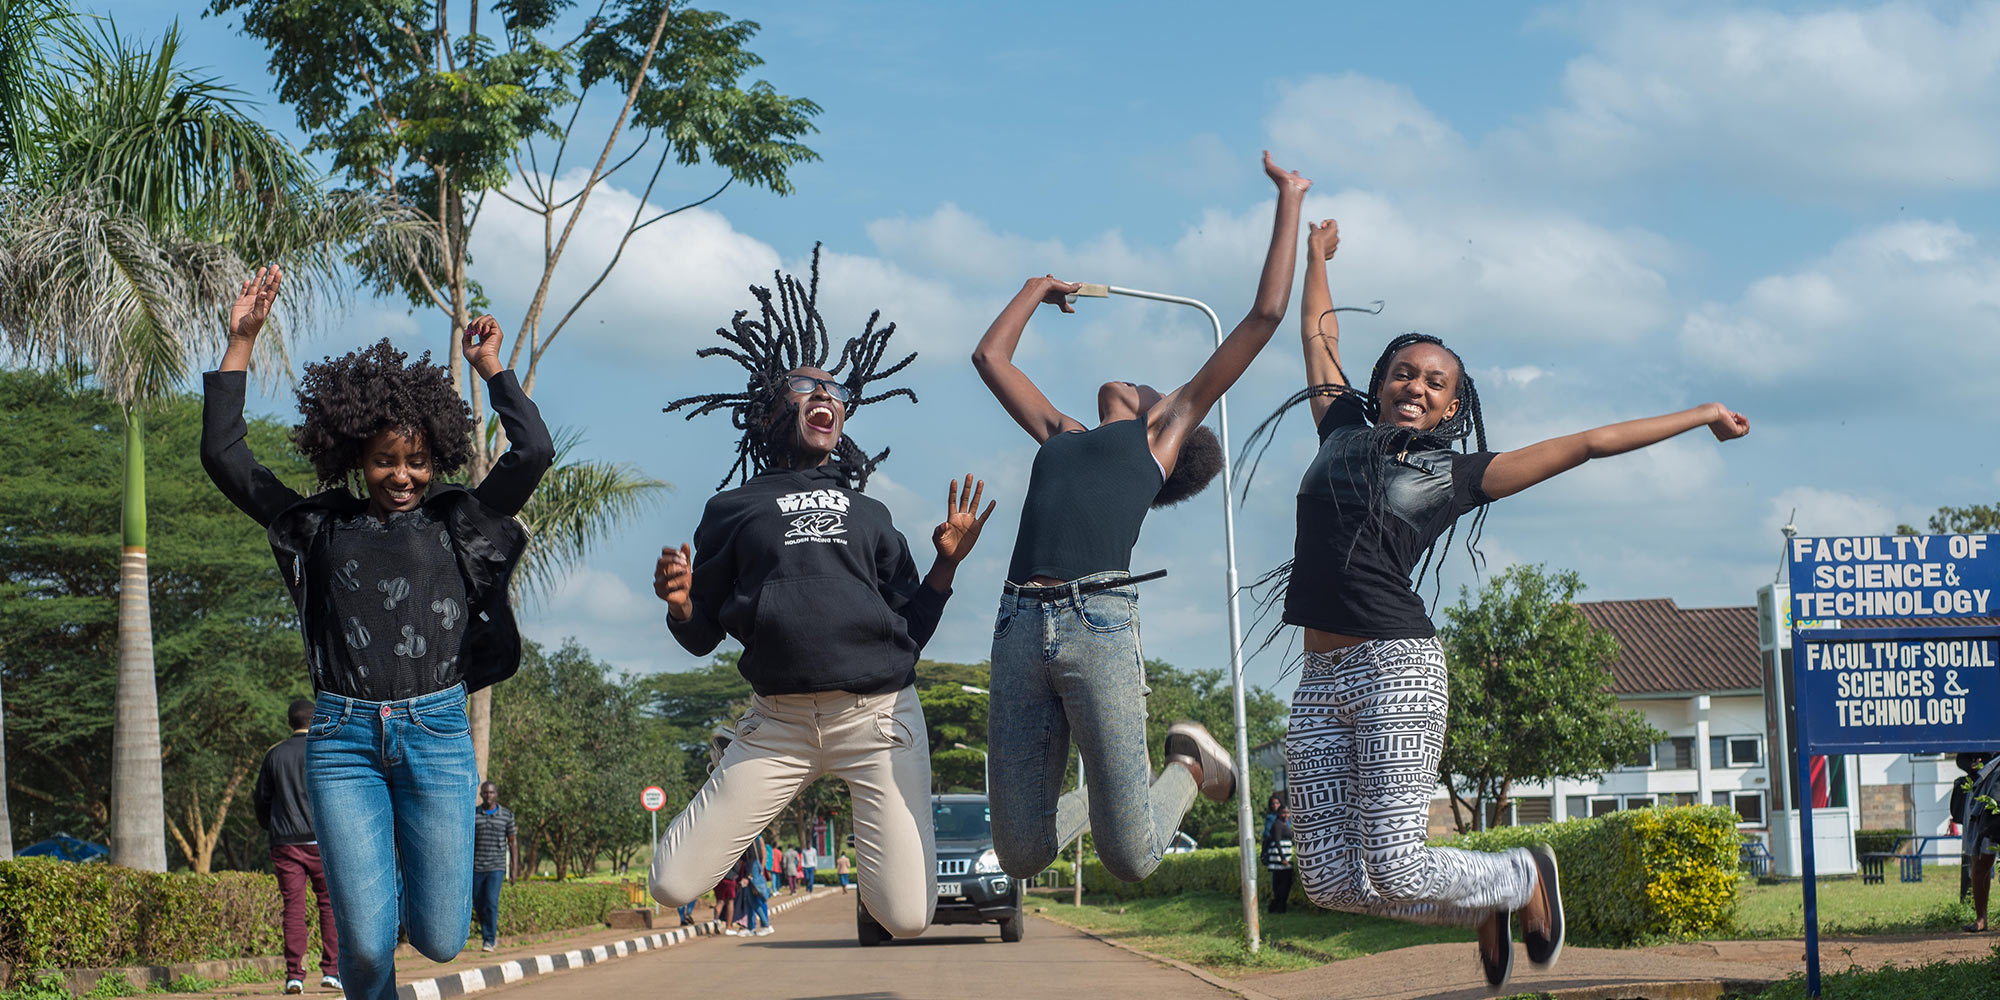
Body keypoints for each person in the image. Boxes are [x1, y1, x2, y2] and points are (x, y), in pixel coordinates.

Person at [1249, 216, 1750, 988]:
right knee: (1333, 885)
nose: (1416, 385)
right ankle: (1487, 898)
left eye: (1434, 381)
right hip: (1320, 684)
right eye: (1404, 373)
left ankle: (1522, 876)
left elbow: (1587, 443)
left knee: (1399, 865)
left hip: (1395, 669)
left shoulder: (1460, 476)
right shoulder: (1338, 429)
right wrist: (1315, 256)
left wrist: (1704, 414)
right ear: (1382, 384)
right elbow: (1318, 340)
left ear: (1451, 408)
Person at [202, 267, 552, 1000]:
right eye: (386, 460)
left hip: (437, 734)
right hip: (343, 742)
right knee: (362, 943)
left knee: (440, 938)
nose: (403, 475)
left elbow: (533, 454)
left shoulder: (460, 522)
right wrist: (241, 342)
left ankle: (388, 883)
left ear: (436, 459)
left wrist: (493, 370)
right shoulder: (319, 527)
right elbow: (225, 457)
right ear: (357, 458)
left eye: (417, 460)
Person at [971, 152, 1309, 883]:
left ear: (1166, 415)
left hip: (1098, 624)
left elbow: (1266, 316)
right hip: (1018, 625)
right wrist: (1038, 287)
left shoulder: (1158, 439)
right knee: (1021, 854)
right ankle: (1113, 799)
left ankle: (1189, 769)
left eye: (1145, 383)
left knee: (1133, 858)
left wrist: (1291, 197)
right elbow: (991, 357)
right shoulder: (1061, 437)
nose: (1129, 376)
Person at [648, 246, 996, 942]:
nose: (825, 397)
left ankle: (883, 833)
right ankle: (732, 751)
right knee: (671, 882)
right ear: (768, 413)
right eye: (806, 388)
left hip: (877, 720)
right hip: (776, 725)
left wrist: (945, 566)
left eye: (834, 392)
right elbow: (702, 635)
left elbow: (909, 629)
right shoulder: (732, 509)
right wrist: (680, 603)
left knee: (905, 918)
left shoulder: (871, 515)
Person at [254, 698, 341, 995]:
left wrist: (274, 828)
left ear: (290, 722)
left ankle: (294, 976)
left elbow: (262, 800)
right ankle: (331, 972)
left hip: (286, 843)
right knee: (329, 906)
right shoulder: (325, 750)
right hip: (323, 842)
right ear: (315, 720)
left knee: (293, 908)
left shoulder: (274, 755)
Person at [473, 782, 519, 952]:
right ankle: (488, 933)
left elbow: (513, 844)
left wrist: (514, 870)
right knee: (478, 904)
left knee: (491, 902)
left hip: (496, 867)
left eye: (491, 792)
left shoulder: (506, 815)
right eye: (485, 793)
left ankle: (489, 940)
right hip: (477, 867)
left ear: (496, 794)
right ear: (481, 795)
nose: (488, 795)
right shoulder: (474, 815)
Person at [1962, 755, 1999, 933]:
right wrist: (1972, 765)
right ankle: (1981, 919)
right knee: (1981, 862)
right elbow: (1961, 759)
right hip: (1989, 802)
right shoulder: (1979, 737)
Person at [1263, 804, 1295, 915]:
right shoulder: (1277, 825)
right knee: (1282, 885)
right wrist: (1283, 858)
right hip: (1280, 860)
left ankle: (1278, 908)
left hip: (1283, 859)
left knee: (1282, 885)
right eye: (1283, 813)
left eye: (1287, 813)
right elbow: (1276, 841)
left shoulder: (1284, 824)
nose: (1286, 815)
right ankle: (1277, 907)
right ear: (1278, 814)